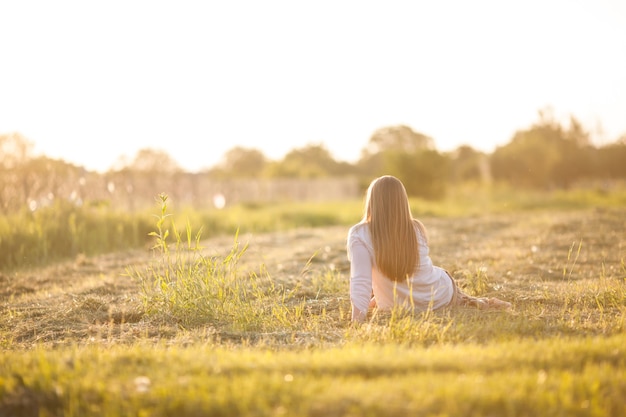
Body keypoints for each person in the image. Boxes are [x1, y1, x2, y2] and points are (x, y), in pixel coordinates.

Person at [347, 175, 511, 323]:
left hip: (398, 305)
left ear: (372, 202)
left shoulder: (359, 234)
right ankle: (473, 301)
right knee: (441, 279)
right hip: (437, 297)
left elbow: (361, 281)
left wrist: (357, 321)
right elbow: (411, 275)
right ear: (402, 202)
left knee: (380, 289)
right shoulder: (416, 228)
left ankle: (472, 301)